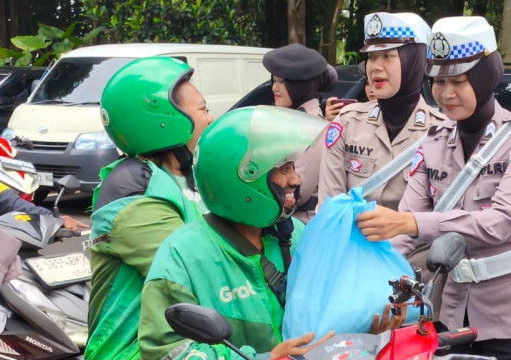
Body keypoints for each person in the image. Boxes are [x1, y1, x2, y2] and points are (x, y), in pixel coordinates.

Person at [355, 17, 511, 360]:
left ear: (484, 79)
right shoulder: (433, 143)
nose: (446, 94)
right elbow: (403, 236)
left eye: (459, 80)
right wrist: (382, 281)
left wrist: (409, 223)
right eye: (437, 82)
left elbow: (500, 222)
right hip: (452, 315)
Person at [138, 106, 333, 359]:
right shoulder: (183, 256)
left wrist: (362, 324)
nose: (295, 180)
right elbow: (165, 352)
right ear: (244, 179)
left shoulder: (294, 233)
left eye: (293, 167)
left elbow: (326, 304)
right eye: (283, 169)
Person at [85, 57, 214, 359]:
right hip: (132, 350)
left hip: (185, 342)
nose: (210, 119)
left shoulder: (186, 175)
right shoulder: (134, 188)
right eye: (204, 109)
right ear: (165, 117)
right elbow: (194, 271)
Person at [318, 12, 446, 210]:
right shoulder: (347, 123)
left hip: (414, 241)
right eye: (371, 56)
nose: (375, 67)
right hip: (349, 238)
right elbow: (329, 208)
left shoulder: (441, 132)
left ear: (414, 61)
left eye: (388, 56)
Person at [263, 43, 338, 223]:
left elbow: (299, 192)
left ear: (300, 85)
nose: (274, 88)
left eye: (282, 82)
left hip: (300, 224)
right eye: (274, 81)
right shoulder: (293, 119)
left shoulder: (311, 127)